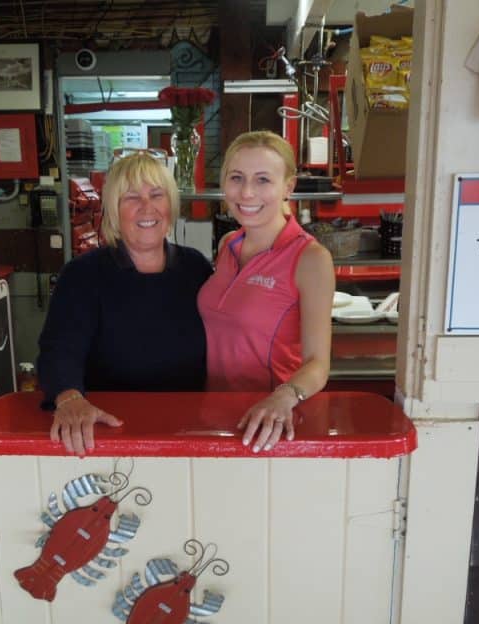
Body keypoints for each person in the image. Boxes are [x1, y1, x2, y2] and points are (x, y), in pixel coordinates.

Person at [37, 152, 213, 456]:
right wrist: (69, 399)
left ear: (170, 206)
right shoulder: (83, 274)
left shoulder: (195, 268)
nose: (147, 207)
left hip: (188, 432)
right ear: (114, 211)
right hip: (109, 433)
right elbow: (58, 351)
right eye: (132, 198)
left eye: (157, 195)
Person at [198, 130, 335, 453]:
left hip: (270, 424)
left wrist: (285, 397)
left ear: (288, 186)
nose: (246, 192)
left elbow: (318, 364)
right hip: (211, 417)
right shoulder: (228, 244)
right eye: (236, 178)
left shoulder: (310, 259)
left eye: (263, 180)